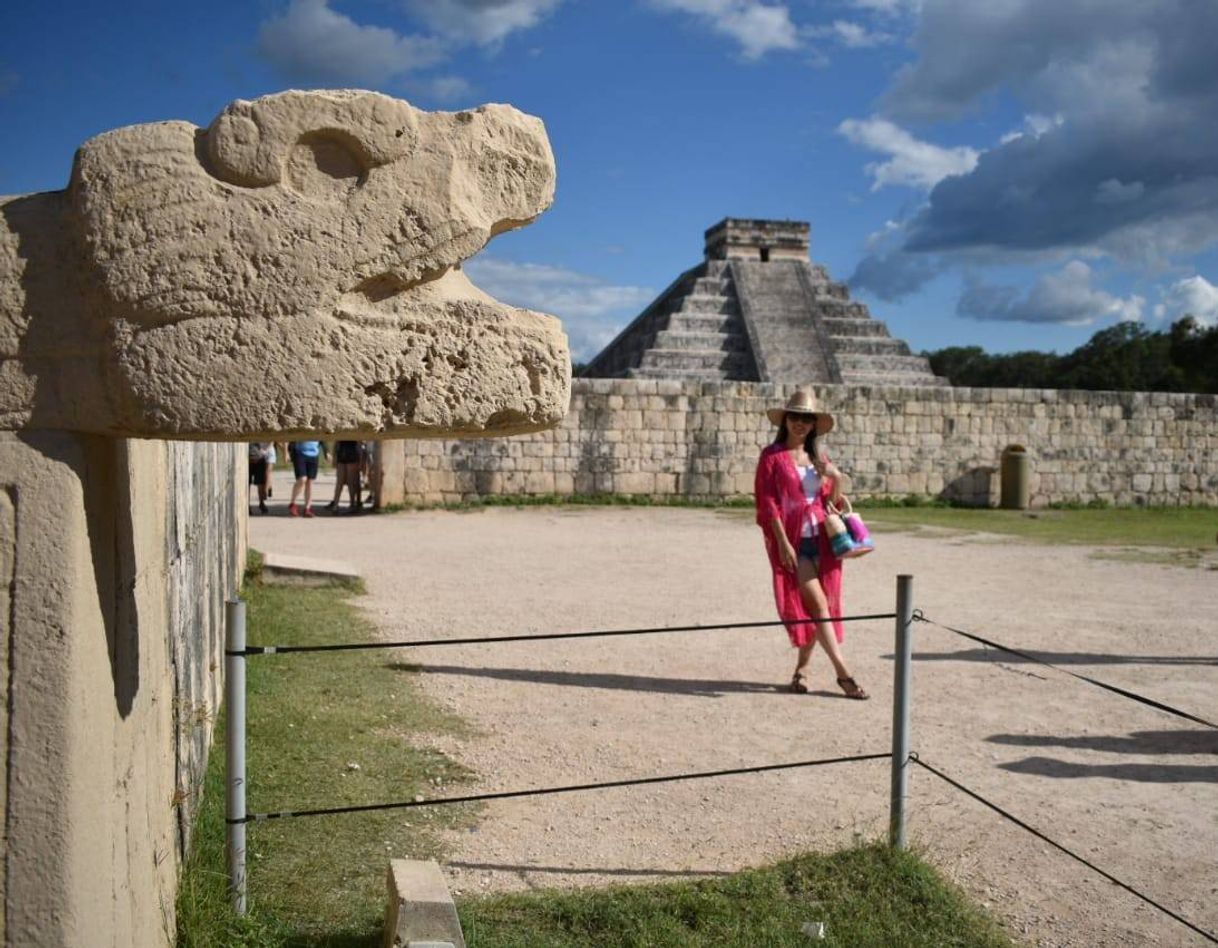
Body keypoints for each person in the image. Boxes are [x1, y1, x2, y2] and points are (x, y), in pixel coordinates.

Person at [754, 390, 868, 699]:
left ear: (814, 424)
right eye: (795, 417)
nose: (800, 423)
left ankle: (801, 670)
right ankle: (843, 674)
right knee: (818, 605)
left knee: (819, 610)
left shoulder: (820, 460)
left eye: (807, 418)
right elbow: (768, 503)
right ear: (786, 420)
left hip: (824, 540)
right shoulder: (772, 456)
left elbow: (831, 502)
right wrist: (782, 543)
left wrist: (836, 477)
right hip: (794, 541)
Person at [287, 440, 328, 518]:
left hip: (314, 454)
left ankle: (307, 508)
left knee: (309, 482)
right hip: (300, 452)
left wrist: (326, 452)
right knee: (302, 479)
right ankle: (292, 504)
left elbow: (323, 437)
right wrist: (289, 451)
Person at [326, 440, 363, 514]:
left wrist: (361, 459)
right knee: (340, 482)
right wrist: (335, 457)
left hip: (352, 453)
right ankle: (336, 505)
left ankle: (352, 504)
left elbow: (359, 444)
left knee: (351, 482)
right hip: (343, 454)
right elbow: (337, 442)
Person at [248, 443, 270, 515]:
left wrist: (265, 450)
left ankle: (261, 503)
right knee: (247, 484)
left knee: (260, 483)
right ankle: (247, 505)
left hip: (259, 459)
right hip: (247, 459)